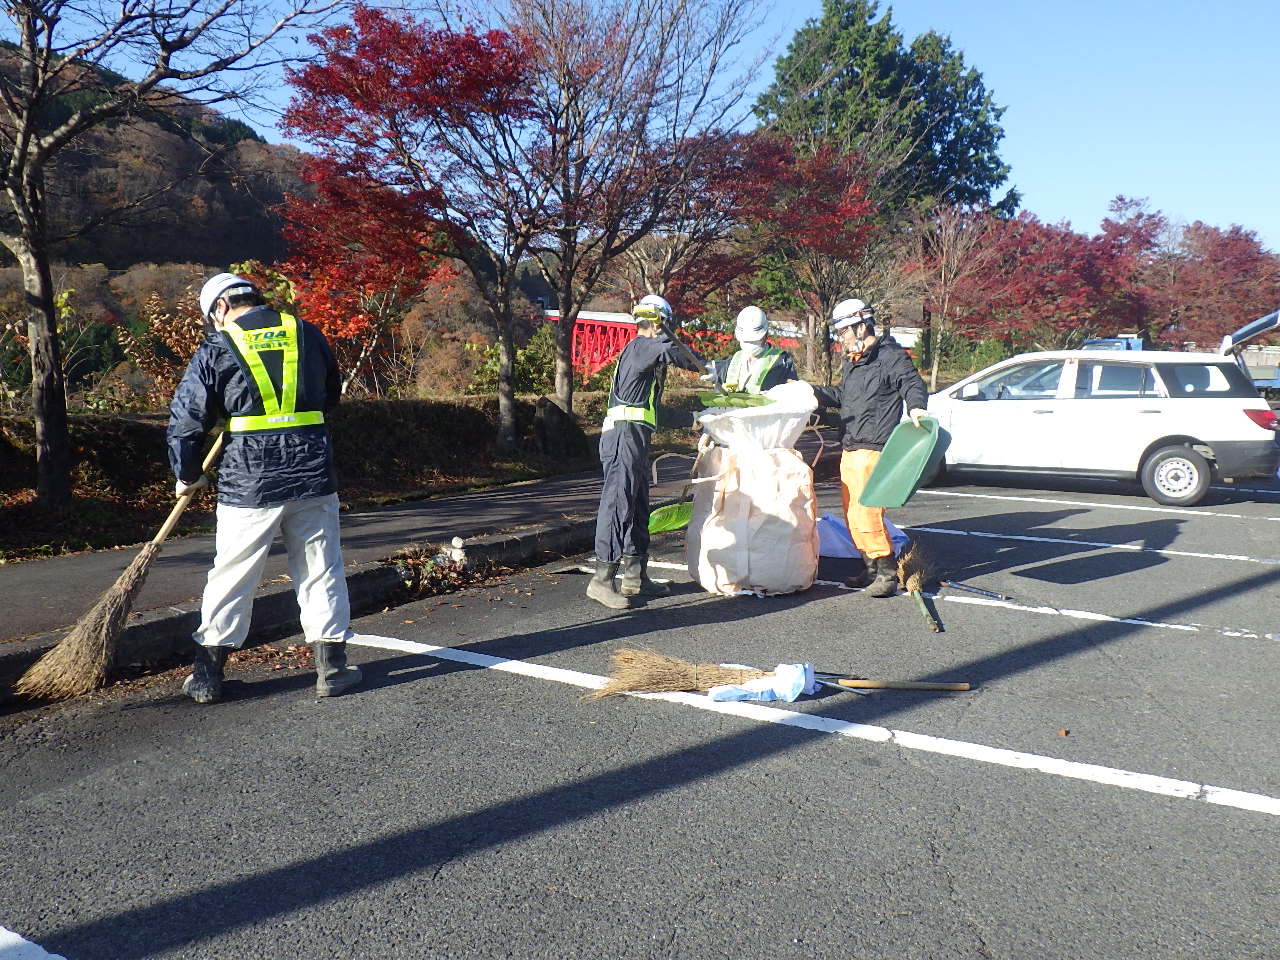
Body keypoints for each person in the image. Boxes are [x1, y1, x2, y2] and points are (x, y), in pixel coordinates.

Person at [167, 272, 362, 703]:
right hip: (312, 472)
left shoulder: (218, 345)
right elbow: (331, 395)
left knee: (233, 574)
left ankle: (207, 676)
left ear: (220, 307)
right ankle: (332, 669)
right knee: (320, 569)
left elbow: (187, 422)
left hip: (249, 480)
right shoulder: (307, 332)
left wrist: (187, 474)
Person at [589, 293, 705, 609]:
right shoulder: (642, 346)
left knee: (637, 506)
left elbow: (653, 410)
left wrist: (694, 418)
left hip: (635, 439)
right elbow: (671, 350)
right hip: (623, 438)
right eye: (668, 327)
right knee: (618, 506)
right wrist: (707, 368)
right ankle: (601, 581)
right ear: (659, 324)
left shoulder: (643, 359)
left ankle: (635, 576)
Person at [813, 297, 928, 598]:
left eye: (843, 332)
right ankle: (870, 568)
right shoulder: (853, 362)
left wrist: (916, 407)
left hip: (874, 447)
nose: (840, 338)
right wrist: (812, 393)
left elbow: (912, 383)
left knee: (868, 512)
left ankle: (887, 574)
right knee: (852, 513)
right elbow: (843, 396)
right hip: (850, 445)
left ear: (861, 326)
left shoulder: (890, 356)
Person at [716, 305, 799, 394]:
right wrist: (715, 379)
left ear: (765, 335)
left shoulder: (782, 362)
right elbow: (721, 393)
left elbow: (792, 395)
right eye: (746, 341)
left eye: (755, 341)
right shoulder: (734, 361)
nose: (750, 345)